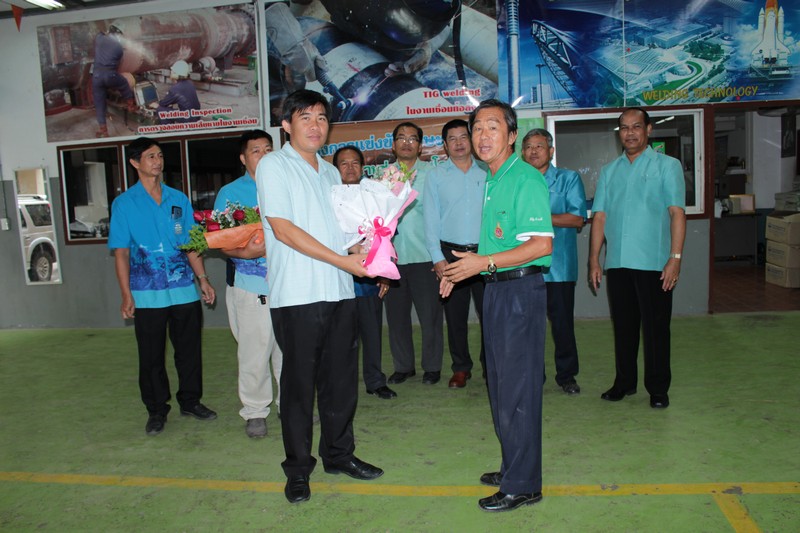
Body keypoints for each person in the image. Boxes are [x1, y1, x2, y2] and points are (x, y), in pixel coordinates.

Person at [256, 90, 383, 504]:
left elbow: (338, 234)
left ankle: (338, 454)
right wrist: (343, 260)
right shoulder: (274, 166)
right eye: (305, 117)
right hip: (298, 294)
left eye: (322, 118)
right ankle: (298, 470)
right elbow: (284, 230)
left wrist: (363, 251)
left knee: (341, 381)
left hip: (339, 290)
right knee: (299, 387)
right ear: (286, 125)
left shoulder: (330, 173)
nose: (315, 125)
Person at [441, 99, 553, 512]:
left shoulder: (525, 178)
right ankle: (513, 465)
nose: (482, 136)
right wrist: (464, 270)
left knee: (518, 388)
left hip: (519, 293)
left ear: (511, 135)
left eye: (492, 127)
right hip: (497, 291)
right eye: (477, 128)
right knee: (502, 386)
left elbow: (541, 246)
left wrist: (482, 262)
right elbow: (496, 245)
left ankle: (523, 484)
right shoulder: (493, 180)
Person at [108, 137, 217, 437]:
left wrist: (203, 279)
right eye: (150, 156)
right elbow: (121, 253)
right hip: (147, 294)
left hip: (183, 290)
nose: (157, 161)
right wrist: (126, 295)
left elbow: (190, 243)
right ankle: (156, 410)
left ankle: (191, 401)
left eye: (159, 156)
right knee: (151, 356)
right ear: (135, 163)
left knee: (189, 351)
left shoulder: (177, 199)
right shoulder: (124, 204)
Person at [589, 107, 686, 410]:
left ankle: (658, 389)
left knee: (656, 329)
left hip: (654, 263)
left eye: (636, 127)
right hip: (618, 262)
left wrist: (675, 258)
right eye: (624, 128)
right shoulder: (610, 171)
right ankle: (624, 382)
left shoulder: (667, 166)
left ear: (648, 129)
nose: (629, 133)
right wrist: (594, 259)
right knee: (624, 327)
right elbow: (600, 217)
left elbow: (677, 213)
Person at [214, 130, 283, 438]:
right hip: (251, 284)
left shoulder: (285, 185)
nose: (264, 155)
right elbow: (220, 242)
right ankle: (255, 411)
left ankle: (289, 403)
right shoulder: (231, 193)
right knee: (254, 352)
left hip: (289, 284)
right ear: (243, 158)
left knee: (290, 350)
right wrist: (247, 252)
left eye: (268, 149)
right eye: (256, 151)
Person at [521, 128, 586, 395]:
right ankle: (534, 375)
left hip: (559, 266)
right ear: (522, 153)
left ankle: (567, 376)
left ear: (551, 151)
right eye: (528, 147)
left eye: (539, 146)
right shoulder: (518, 182)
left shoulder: (568, 179)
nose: (533, 151)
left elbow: (577, 218)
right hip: (525, 266)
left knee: (562, 325)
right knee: (529, 327)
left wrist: (536, 220)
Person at [423, 118, 486, 388]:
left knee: (490, 314)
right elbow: (430, 218)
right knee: (455, 316)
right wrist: (437, 257)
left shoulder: (487, 172)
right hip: (451, 255)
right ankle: (461, 368)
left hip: (484, 254)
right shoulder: (436, 175)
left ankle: (491, 366)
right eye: (452, 139)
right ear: (445, 145)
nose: (459, 143)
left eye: (463, 137)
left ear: (471, 140)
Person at [383, 121, 444, 386]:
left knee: (430, 316)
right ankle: (403, 366)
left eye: (412, 139)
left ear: (420, 146)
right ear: (393, 145)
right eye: (401, 138)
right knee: (396, 317)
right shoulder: (383, 177)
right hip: (393, 259)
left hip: (425, 256)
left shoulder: (432, 175)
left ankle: (432, 366)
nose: (406, 142)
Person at [333, 145, 395, 399]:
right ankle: (342, 386)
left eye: (355, 163)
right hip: (338, 276)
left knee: (372, 333)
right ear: (335, 169)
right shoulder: (329, 196)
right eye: (344, 164)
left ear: (362, 167)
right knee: (341, 338)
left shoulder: (374, 196)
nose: (350, 168)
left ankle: (375, 381)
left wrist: (384, 273)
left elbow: (386, 237)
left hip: (368, 279)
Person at [92, 25, 137, 138]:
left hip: (96, 76)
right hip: (110, 75)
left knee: (99, 103)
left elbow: (99, 32)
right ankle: (130, 105)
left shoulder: (99, 39)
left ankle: (104, 131)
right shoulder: (119, 48)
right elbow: (118, 64)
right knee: (124, 83)